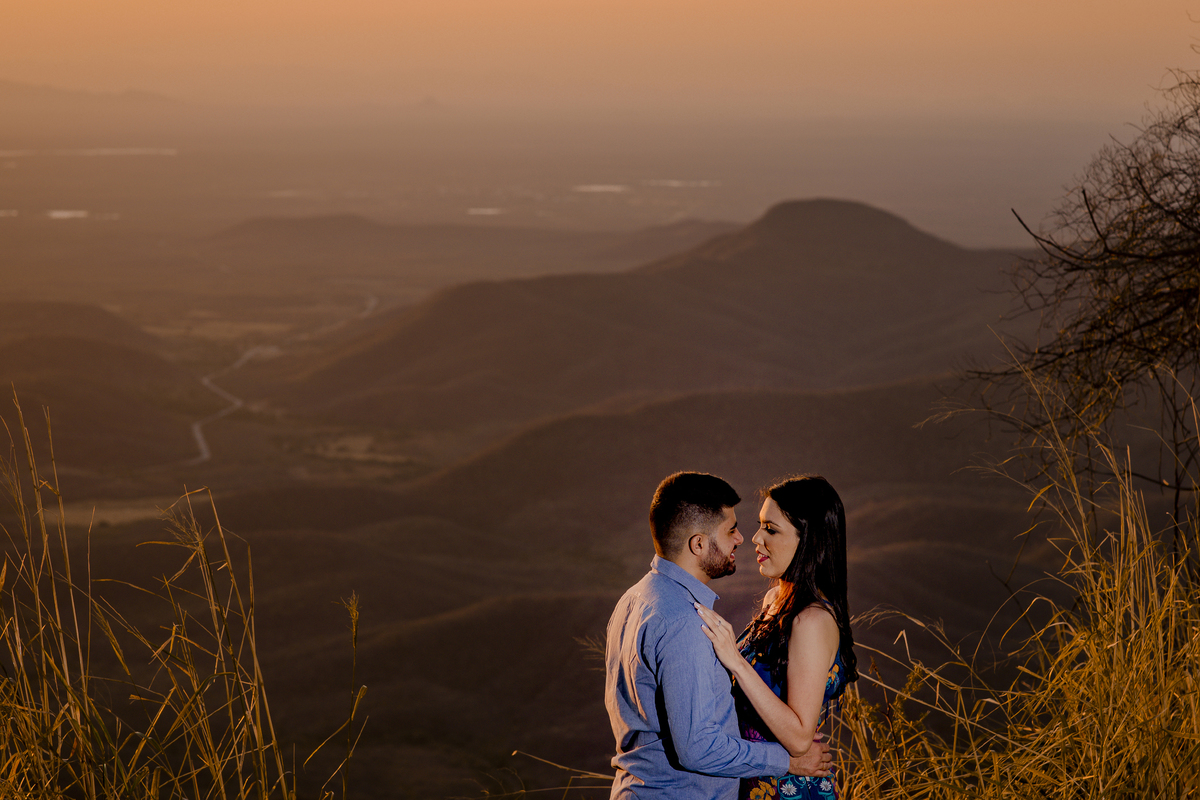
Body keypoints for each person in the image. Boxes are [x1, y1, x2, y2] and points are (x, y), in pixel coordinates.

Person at [605, 471, 833, 800]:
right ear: (698, 544)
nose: (742, 539)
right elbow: (698, 749)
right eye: (731, 530)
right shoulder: (684, 622)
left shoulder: (634, 599)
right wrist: (787, 762)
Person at [696, 475, 858, 800]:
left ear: (808, 540)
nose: (755, 537)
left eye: (771, 529)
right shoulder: (777, 601)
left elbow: (799, 739)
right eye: (760, 525)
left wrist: (736, 663)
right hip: (757, 778)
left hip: (789, 790)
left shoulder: (812, 620)